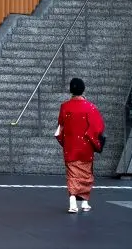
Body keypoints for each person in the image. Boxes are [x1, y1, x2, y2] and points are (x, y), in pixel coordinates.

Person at [55, 77, 105, 213]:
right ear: (83, 90)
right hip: (85, 146)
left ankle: (72, 203)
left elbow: (61, 125)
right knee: (86, 173)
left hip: (71, 146)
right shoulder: (90, 107)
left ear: (71, 90)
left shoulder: (64, 106)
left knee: (72, 174)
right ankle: (84, 202)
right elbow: (98, 127)